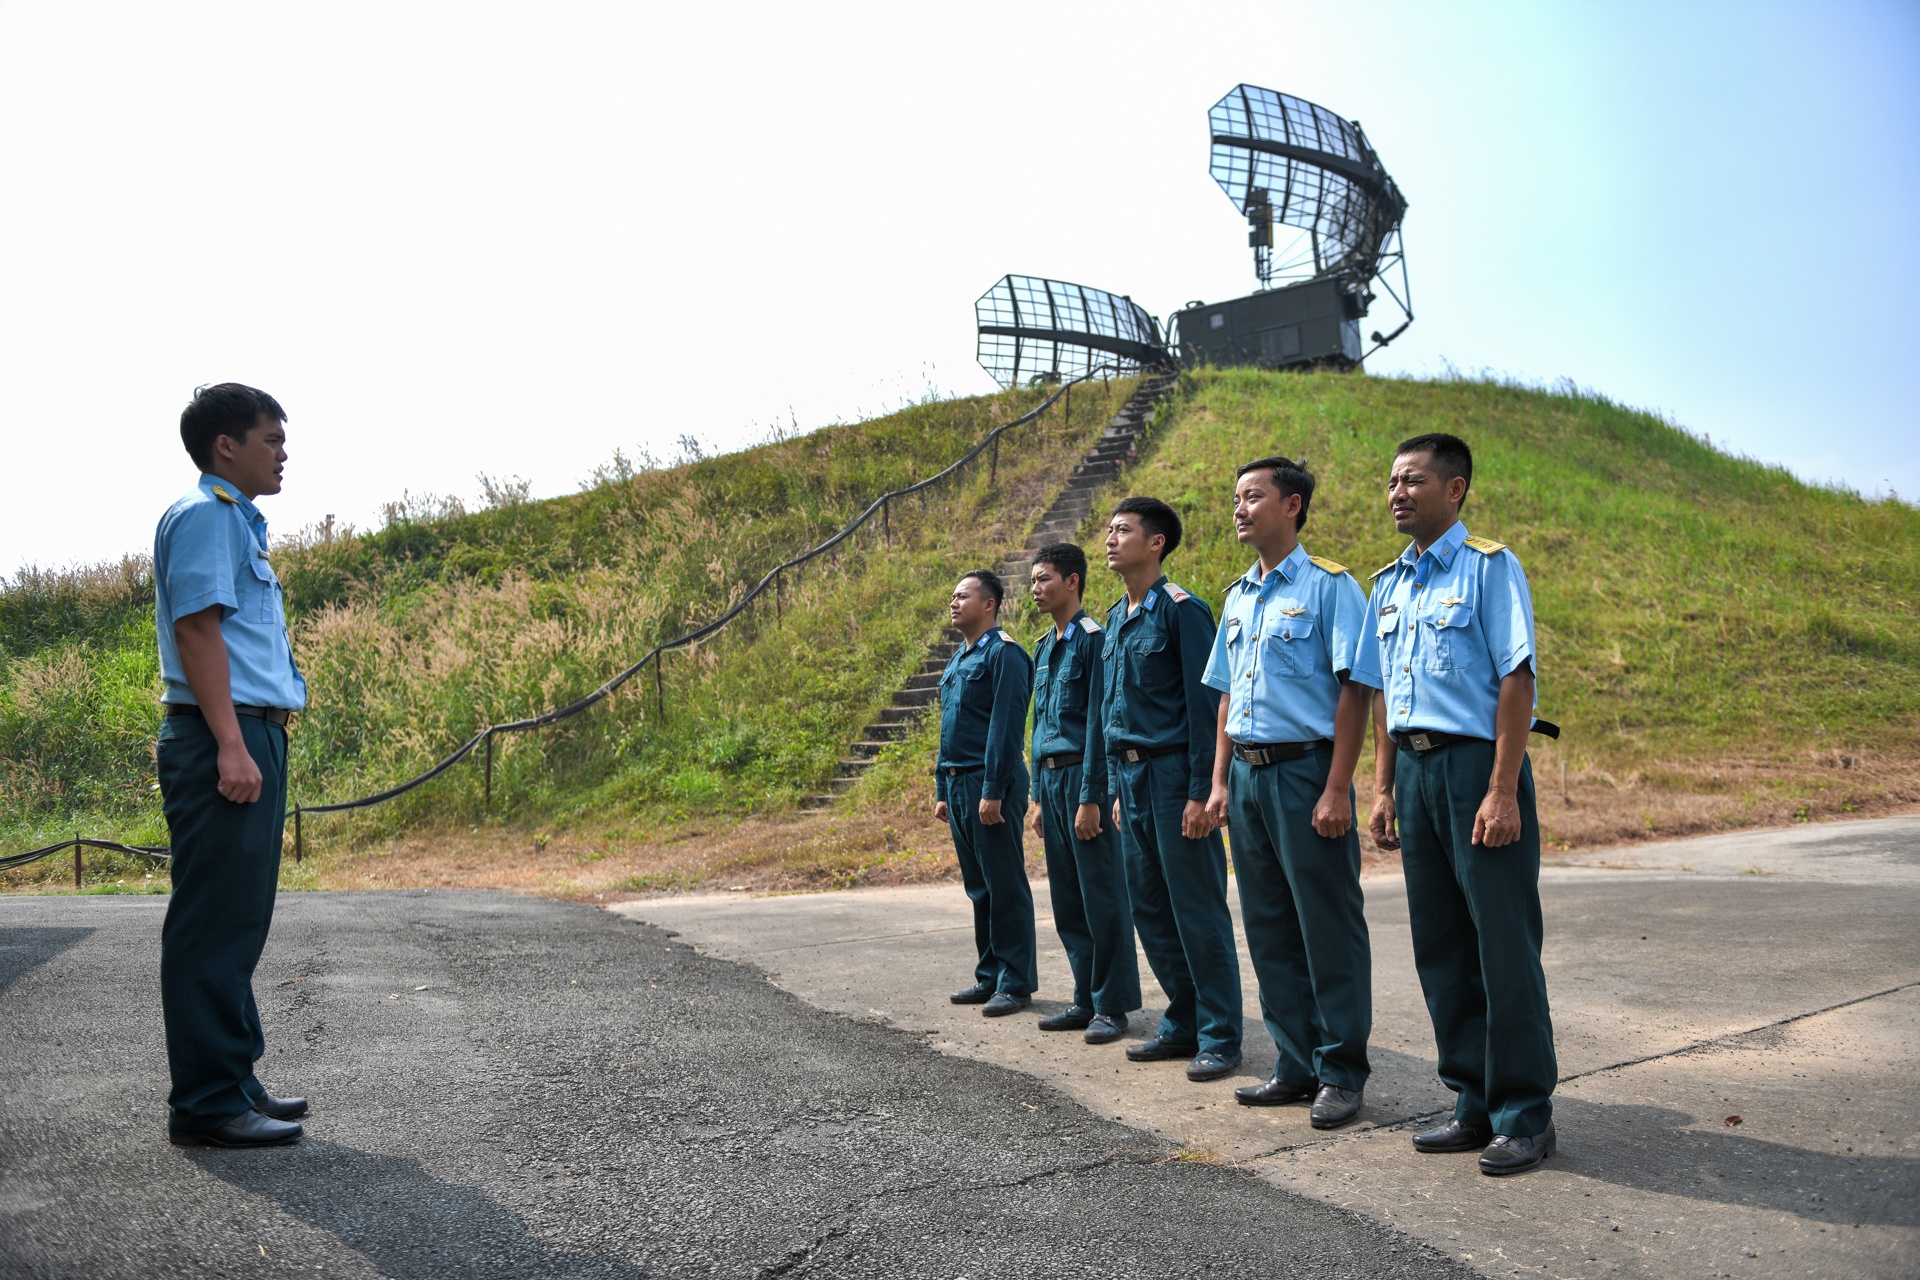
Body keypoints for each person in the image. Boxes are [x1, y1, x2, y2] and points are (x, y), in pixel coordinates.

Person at [1357, 432, 1559, 1176]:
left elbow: (1517, 681)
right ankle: (1471, 1103)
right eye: (1390, 482)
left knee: (1502, 948)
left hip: (1478, 770)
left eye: (1412, 481)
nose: (1397, 494)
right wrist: (1381, 788)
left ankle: (1525, 1115)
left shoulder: (1489, 569)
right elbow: (1384, 699)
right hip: (1414, 771)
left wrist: (1503, 789)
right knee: (1442, 949)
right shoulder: (1390, 584)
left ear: (1456, 490)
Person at [154, 383, 309, 1148]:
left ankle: (235, 1079)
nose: (283, 452)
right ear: (227, 446)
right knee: (214, 923)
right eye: (271, 438)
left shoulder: (234, 523)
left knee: (238, 920)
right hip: (227, 735)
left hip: (251, 731)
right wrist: (230, 743)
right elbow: (198, 633)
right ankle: (210, 1103)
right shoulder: (208, 519)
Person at [1202, 457, 1374, 1130]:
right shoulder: (1238, 595)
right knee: (1269, 923)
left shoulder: (1331, 588)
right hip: (1246, 775)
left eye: (1252, 497)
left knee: (1325, 924)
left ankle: (1341, 1071)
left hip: (1306, 773)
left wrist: (1338, 788)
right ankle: (1294, 1061)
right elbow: (1224, 696)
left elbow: (1356, 689)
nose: (1239, 509)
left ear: (1292, 505)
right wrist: (1219, 780)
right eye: (1235, 498)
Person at [1100, 497, 1242, 1082]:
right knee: (1150, 908)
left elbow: (1205, 704)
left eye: (1123, 530)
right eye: (1108, 529)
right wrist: (1112, 784)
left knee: (1196, 909)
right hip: (1129, 779)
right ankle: (1182, 1020)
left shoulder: (1183, 612)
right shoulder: (1114, 618)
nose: (1110, 538)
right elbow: (1113, 707)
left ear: (1156, 542)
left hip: (1172, 778)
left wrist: (1200, 791)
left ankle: (1220, 1034)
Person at [1026, 543, 1140, 1045]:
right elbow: (1038, 726)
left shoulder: (1095, 640)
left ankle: (1112, 1006)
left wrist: (1092, 795)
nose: (1036, 588)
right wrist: (1034, 794)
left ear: (1073, 581)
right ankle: (1084, 996)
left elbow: (1098, 722)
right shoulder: (1042, 646)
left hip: (1081, 778)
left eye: (1045, 579)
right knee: (1068, 898)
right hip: (1050, 781)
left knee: (1102, 895)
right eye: (1032, 580)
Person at [934, 570, 1039, 1017]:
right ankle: (990, 975)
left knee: (1004, 884)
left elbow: (1005, 727)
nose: (954, 602)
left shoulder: (1006, 655)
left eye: (963, 596)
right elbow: (948, 730)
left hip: (989, 782)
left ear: (990, 604)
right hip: (959, 784)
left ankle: (1015, 982)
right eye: (953, 596)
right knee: (980, 889)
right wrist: (942, 786)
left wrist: (993, 789)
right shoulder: (958, 660)